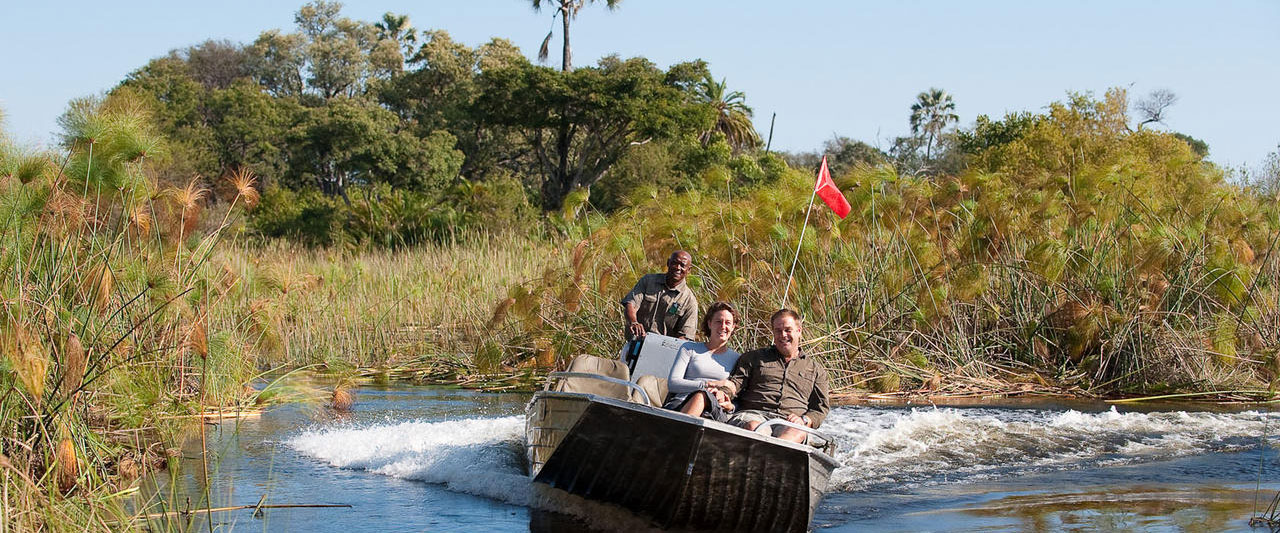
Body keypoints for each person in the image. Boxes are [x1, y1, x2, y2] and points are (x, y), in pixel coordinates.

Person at [721, 309, 830, 444]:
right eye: (778, 331)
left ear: (799, 331)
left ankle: (773, 458)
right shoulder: (753, 358)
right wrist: (723, 394)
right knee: (755, 428)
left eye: (788, 330)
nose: (783, 335)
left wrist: (805, 420)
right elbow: (735, 384)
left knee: (796, 432)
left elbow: (820, 408)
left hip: (790, 423)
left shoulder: (816, 370)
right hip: (753, 416)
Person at [664, 302, 740, 422]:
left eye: (728, 323)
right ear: (709, 324)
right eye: (718, 322)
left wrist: (730, 407)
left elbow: (735, 395)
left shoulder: (737, 359)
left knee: (703, 396)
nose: (723, 326)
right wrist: (709, 385)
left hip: (714, 411)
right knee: (701, 396)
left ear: (733, 326)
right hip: (681, 404)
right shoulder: (689, 348)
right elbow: (673, 383)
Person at [620, 251, 698, 340]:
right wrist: (634, 322)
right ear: (668, 263)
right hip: (635, 341)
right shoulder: (648, 281)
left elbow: (686, 335)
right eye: (674, 263)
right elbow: (631, 304)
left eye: (682, 265)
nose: (677, 268)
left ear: (689, 269)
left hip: (662, 349)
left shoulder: (689, 300)